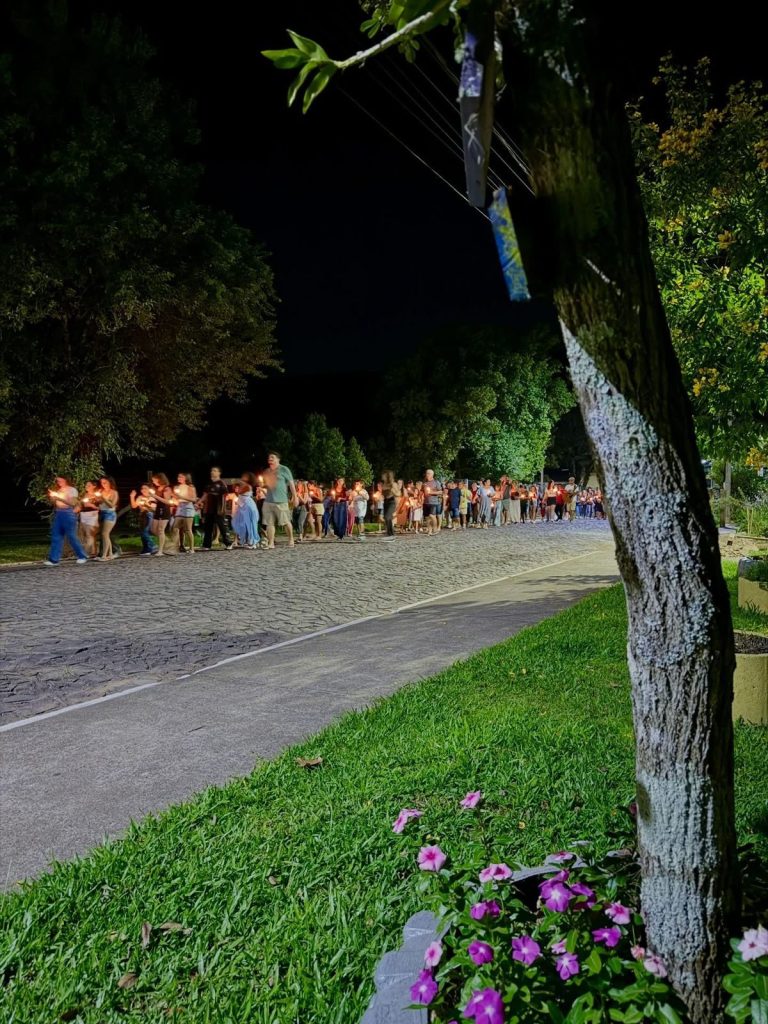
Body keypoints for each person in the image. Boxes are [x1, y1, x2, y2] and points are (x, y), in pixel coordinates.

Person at [44, 476, 89, 566]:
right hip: (59, 513)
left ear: (65, 480)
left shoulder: (72, 490)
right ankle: (54, 559)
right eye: (57, 480)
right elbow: (56, 502)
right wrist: (53, 498)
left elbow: (73, 503)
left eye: (60, 480)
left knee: (71, 536)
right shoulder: (59, 490)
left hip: (68, 513)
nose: (58, 481)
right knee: (56, 536)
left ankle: (82, 556)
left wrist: (59, 499)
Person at [263, 451, 297, 548]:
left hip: (281, 501)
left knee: (286, 522)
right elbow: (267, 485)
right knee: (269, 523)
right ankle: (271, 543)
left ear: (278, 459)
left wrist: (295, 497)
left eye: (272, 457)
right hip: (268, 501)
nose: (270, 459)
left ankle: (291, 539)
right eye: (269, 457)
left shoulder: (284, 469)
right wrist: (263, 486)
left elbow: (291, 484)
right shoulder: (266, 471)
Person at [200, 467, 233, 551]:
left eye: (215, 470)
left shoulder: (221, 483)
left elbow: (226, 496)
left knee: (222, 526)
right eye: (212, 470)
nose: (212, 472)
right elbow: (205, 495)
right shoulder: (208, 484)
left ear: (219, 473)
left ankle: (228, 543)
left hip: (219, 508)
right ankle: (207, 545)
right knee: (208, 526)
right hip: (209, 508)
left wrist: (223, 508)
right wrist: (199, 502)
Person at [232, 473, 261, 548]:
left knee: (250, 523)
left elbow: (239, 492)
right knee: (244, 524)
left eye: (245, 476)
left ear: (249, 479)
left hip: (248, 506)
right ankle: (248, 541)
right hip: (244, 506)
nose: (243, 477)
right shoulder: (244, 485)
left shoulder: (247, 486)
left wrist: (238, 483)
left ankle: (253, 542)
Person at [171, 473, 198, 553]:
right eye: (178, 476)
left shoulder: (190, 487)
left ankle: (191, 548)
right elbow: (176, 498)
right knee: (175, 527)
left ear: (186, 478)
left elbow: (193, 499)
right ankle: (175, 546)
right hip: (180, 507)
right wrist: (174, 498)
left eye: (181, 476)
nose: (178, 477)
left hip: (188, 507)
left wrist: (181, 497)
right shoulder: (177, 487)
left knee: (188, 529)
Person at [94, 476, 119, 560]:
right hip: (101, 513)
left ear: (110, 483)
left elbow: (112, 505)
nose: (103, 484)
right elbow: (99, 503)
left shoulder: (114, 492)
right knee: (105, 534)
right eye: (102, 483)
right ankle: (110, 554)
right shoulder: (101, 491)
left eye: (105, 482)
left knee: (105, 534)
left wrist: (103, 498)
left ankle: (104, 555)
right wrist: (97, 500)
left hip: (110, 514)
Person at [150, 473, 175, 555]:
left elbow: (167, 501)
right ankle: (168, 543)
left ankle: (160, 551)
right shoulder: (158, 488)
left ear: (159, 479)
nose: (153, 481)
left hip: (164, 510)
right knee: (153, 529)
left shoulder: (167, 488)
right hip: (158, 510)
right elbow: (158, 500)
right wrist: (152, 500)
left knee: (161, 530)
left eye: (154, 480)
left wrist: (155, 496)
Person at [129, 483, 157, 555]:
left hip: (149, 515)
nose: (143, 490)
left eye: (145, 488)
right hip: (142, 515)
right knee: (142, 532)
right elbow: (134, 506)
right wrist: (132, 497)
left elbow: (154, 509)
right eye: (142, 488)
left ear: (149, 489)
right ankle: (146, 549)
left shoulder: (152, 498)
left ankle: (153, 546)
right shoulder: (140, 497)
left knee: (144, 532)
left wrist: (146, 505)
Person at [78, 481, 100, 558]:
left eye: (89, 485)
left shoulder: (97, 495)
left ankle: (84, 553)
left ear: (94, 486)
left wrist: (93, 505)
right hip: (84, 515)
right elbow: (81, 505)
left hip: (93, 515)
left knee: (90, 534)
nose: (86, 486)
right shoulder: (84, 495)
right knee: (88, 535)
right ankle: (94, 552)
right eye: (86, 485)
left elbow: (101, 506)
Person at [422, 469, 444, 536]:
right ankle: (429, 530)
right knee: (427, 517)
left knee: (432, 515)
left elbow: (441, 492)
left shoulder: (436, 482)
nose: (427, 475)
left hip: (433, 502)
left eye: (429, 473)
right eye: (426, 473)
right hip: (426, 502)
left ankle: (435, 529)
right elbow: (422, 492)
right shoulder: (425, 483)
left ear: (432, 475)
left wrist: (432, 492)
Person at [381, 470, 400, 540]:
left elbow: (399, 494)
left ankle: (391, 534)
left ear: (387, 476)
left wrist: (393, 491)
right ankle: (389, 534)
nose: (382, 476)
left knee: (387, 516)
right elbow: (383, 494)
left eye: (383, 475)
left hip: (392, 502)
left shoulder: (393, 484)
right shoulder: (384, 484)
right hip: (385, 502)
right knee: (386, 518)